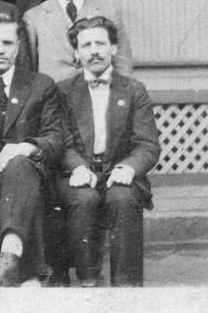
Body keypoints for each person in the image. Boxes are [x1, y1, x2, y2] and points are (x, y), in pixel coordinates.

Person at [56, 16, 160, 287]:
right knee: (83, 198)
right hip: (80, 172)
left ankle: (127, 290)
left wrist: (129, 167)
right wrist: (78, 166)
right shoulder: (63, 91)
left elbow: (148, 144)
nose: (94, 50)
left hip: (118, 171)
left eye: (101, 43)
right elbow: (61, 141)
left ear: (114, 48)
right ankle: (89, 280)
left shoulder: (134, 89)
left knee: (122, 199)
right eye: (86, 45)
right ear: (77, 53)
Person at [0, 14, 65, 288]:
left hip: (32, 176)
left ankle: (9, 260)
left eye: (7, 42)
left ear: (18, 47)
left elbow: (56, 139)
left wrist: (22, 148)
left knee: (19, 166)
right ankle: (30, 276)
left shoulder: (41, 84)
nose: (0, 49)